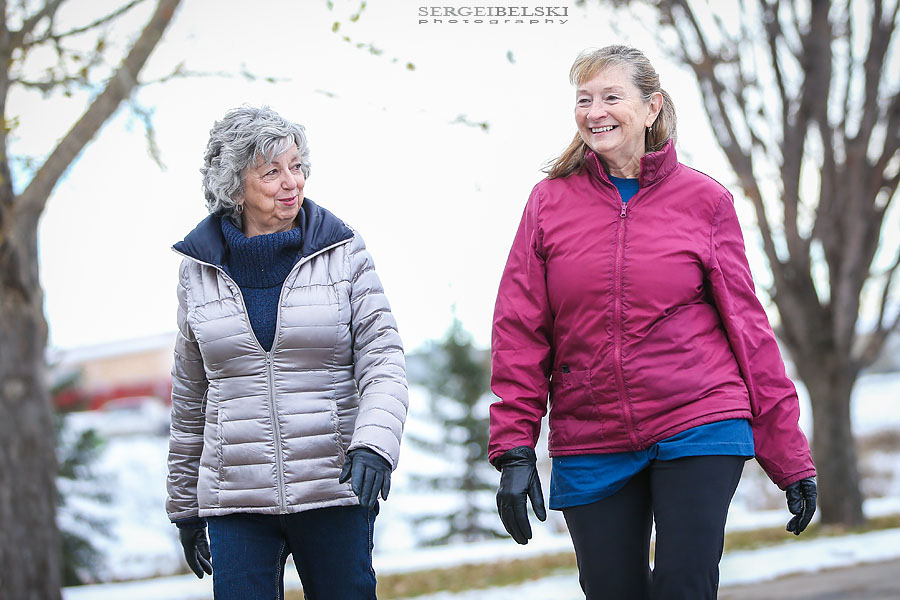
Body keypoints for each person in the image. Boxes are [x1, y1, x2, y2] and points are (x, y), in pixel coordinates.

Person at [488, 45, 818, 599]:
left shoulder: (704, 200)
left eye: (611, 96)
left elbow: (749, 330)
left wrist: (788, 455)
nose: (596, 111)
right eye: (584, 99)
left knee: (684, 587)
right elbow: (520, 330)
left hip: (699, 419)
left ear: (651, 107)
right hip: (592, 432)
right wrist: (515, 448)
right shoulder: (548, 203)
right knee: (610, 589)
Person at [165, 105, 408, 600]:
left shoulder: (342, 252)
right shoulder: (198, 270)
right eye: (271, 171)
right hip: (236, 499)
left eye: (295, 166)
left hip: (333, 485)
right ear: (234, 187)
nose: (290, 181)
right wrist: (185, 506)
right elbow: (190, 395)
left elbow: (383, 358)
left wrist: (374, 444)